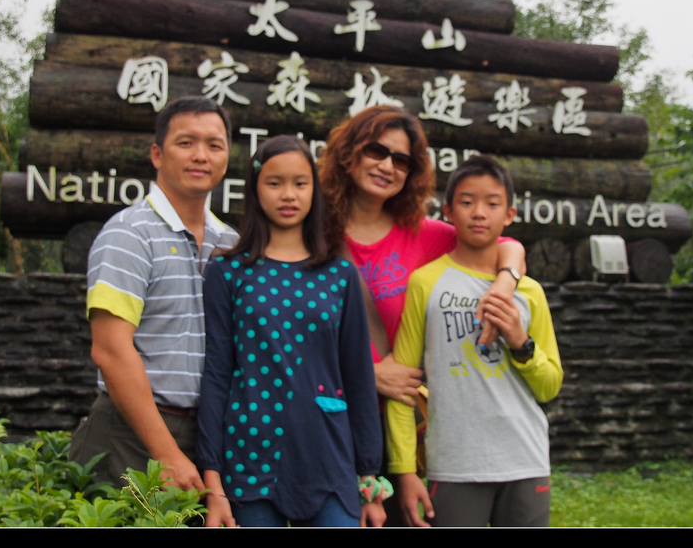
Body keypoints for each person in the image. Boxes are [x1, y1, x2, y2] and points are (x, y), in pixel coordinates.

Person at [197, 136, 386, 527]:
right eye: (274, 182)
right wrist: (211, 479)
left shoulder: (339, 276)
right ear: (254, 190)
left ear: (314, 191)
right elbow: (216, 375)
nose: (288, 194)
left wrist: (369, 477)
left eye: (300, 183)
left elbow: (358, 378)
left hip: (327, 456)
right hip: (247, 459)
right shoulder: (226, 273)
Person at [69, 96, 238, 492]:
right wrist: (166, 454)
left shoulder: (231, 244)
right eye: (186, 143)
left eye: (214, 145)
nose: (201, 155)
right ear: (157, 154)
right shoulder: (128, 234)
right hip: (130, 436)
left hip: (207, 435)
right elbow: (110, 350)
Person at [385, 156, 563, 527]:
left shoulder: (528, 292)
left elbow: (549, 386)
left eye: (492, 203)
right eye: (466, 202)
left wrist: (520, 341)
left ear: (510, 214)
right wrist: (403, 471)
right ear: (448, 211)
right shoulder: (426, 283)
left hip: (525, 459)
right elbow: (403, 385)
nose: (479, 213)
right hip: (454, 464)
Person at [317, 106, 527, 409]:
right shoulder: (311, 234)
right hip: (328, 415)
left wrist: (504, 286)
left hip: (395, 420)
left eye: (401, 160)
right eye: (376, 151)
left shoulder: (421, 234)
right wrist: (367, 374)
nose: (388, 166)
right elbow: (287, 335)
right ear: (349, 153)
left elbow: (504, 245)